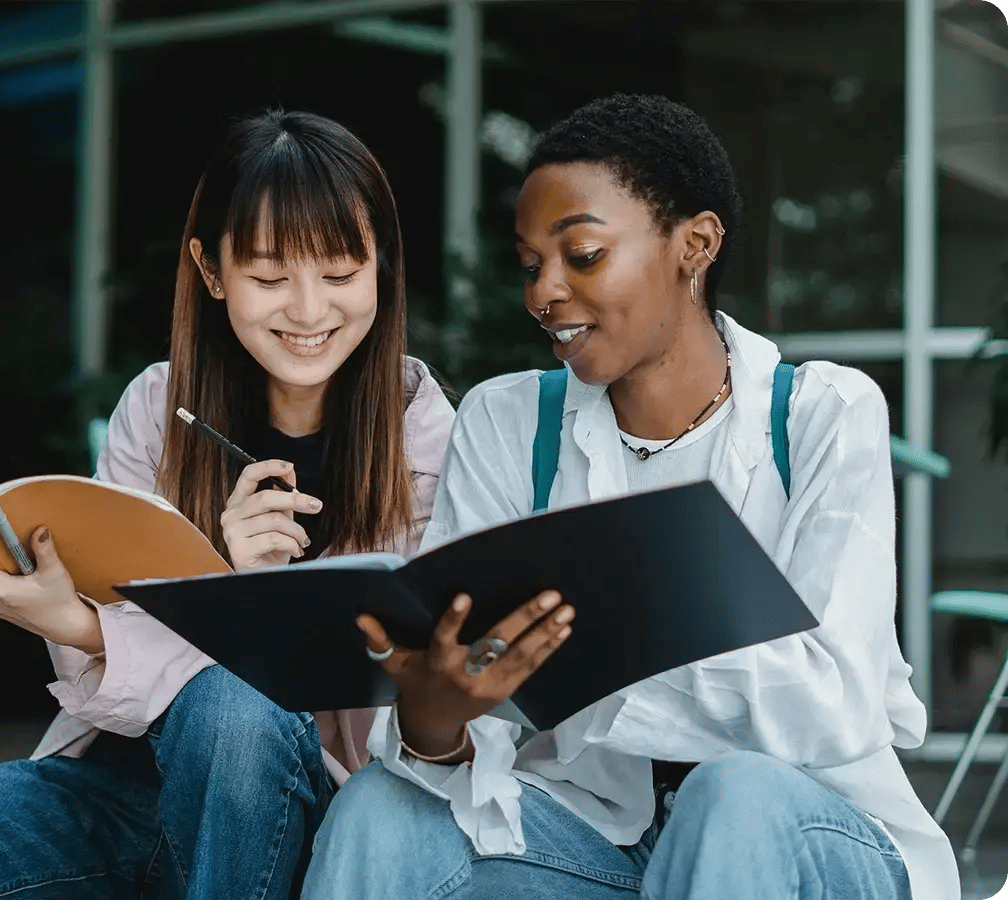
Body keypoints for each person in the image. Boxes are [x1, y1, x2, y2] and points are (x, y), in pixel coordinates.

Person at [300, 94, 961, 900]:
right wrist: (436, 721)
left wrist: (579, 670)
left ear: (696, 245)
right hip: (592, 841)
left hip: (808, 838)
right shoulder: (508, 422)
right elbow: (470, 720)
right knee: (380, 809)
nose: (543, 291)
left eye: (581, 255)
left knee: (731, 793)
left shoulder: (822, 414)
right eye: (530, 262)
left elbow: (833, 703)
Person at [0, 109, 456, 900]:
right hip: (121, 778)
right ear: (212, 272)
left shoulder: (426, 440)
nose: (309, 309)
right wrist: (72, 619)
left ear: (381, 267)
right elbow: (107, 675)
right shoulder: (156, 410)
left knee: (235, 706)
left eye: (339, 272)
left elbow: (411, 692)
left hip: (296, 799)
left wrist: (218, 603)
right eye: (267, 277)